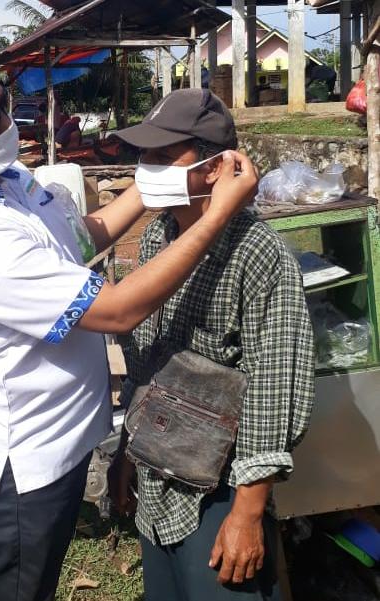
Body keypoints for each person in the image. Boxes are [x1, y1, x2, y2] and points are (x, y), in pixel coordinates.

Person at [0, 46, 257, 601]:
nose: (6, 126)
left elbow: (77, 238)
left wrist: (151, 184)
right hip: (19, 475)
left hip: (55, 451)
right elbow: (117, 309)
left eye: (4, 104)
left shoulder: (0, 177)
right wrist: (217, 215)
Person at [108, 89, 315, 601]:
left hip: (220, 487)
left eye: (163, 157)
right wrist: (129, 451)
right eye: (144, 156)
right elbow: (148, 356)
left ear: (215, 167)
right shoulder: (159, 238)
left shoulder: (258, 253)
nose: (147, 169)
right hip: (157, 468)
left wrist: (247, 512)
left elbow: (274, 386)